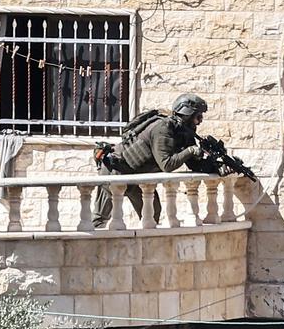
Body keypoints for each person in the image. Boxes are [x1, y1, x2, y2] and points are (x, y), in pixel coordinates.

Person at [92, 93, 226, 228]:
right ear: (187, 114)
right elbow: (167, 164)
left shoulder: (183, 131)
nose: (200, 120)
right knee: (99, 220)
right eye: (198, 116)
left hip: (135, 177)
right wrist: (190, 151)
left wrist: (215, 165)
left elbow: (194, 165)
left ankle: (145, 248)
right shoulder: (163, 128)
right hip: (115, 170)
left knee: (153, 213)